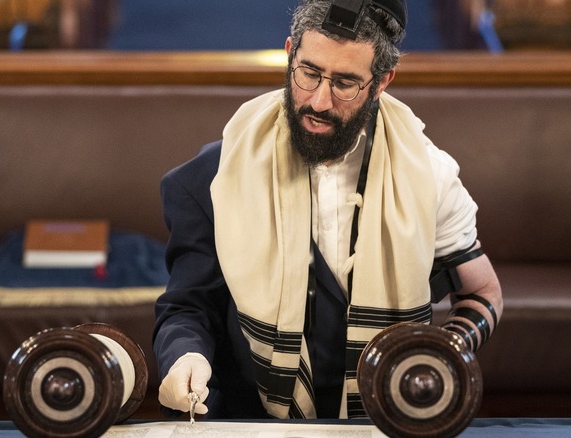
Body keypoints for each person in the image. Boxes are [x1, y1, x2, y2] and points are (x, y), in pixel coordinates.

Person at [154, 0, 503, 420]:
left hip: (383, 416)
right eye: (309, 73)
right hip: (252, 417)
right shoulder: (216, 176)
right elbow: (188, 306)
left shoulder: (429, 175)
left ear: (381, 82)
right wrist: (183, 358)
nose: (319, 102)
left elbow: (484, 293)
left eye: (344, 83)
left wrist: (443, 352)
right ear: (289, 54)